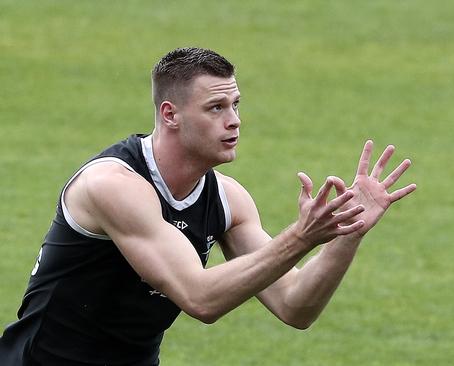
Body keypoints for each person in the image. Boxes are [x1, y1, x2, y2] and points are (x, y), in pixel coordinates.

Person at [0, 47, 417, 365]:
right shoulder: (112, 185)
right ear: (170, 115)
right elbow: (200, 299)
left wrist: (347, 233)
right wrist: (300, 235)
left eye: (236, 105)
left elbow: (295, 305)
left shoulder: (227, 199)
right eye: (216, 107)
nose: (234, 120)